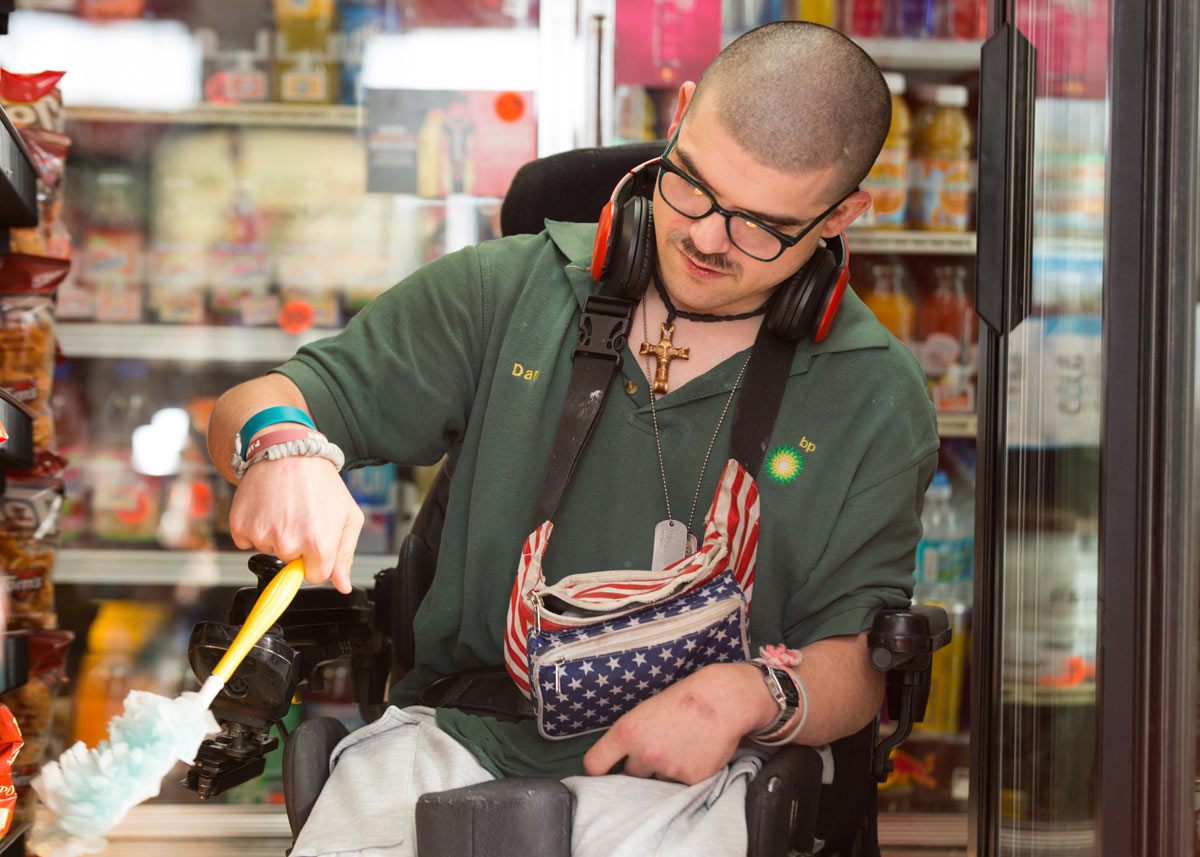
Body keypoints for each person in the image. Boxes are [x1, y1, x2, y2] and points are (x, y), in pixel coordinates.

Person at [208, 21, 938, 857]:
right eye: (691, 186)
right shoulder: (503, 292)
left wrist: (745, 696)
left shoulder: (875, 393)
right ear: (682, 116)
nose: (704, 237)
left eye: (761, 227)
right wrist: (279, 445)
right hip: (450, 747)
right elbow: (262, 399)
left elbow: (856, 659)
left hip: (707, 784)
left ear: (842, 213)